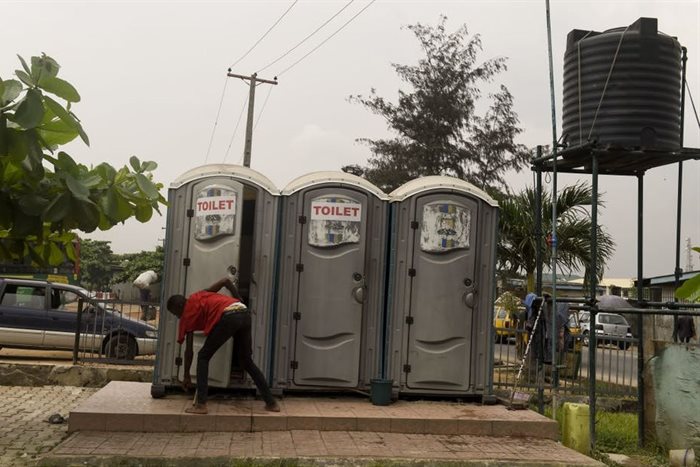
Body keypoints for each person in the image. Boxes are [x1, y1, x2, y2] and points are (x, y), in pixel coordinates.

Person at [166, 277, 279, 414]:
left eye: (175, 313)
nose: (178, 317)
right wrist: (239, 299)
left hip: (228, 316)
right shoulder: (200, 294)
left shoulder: (186, 315)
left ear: (179, 307)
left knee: (203, 356)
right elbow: (225, 281)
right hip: (243, 312)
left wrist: (186, 376)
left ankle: (201, 404)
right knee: (246, 361)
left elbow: (189, 351)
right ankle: (271, 403)